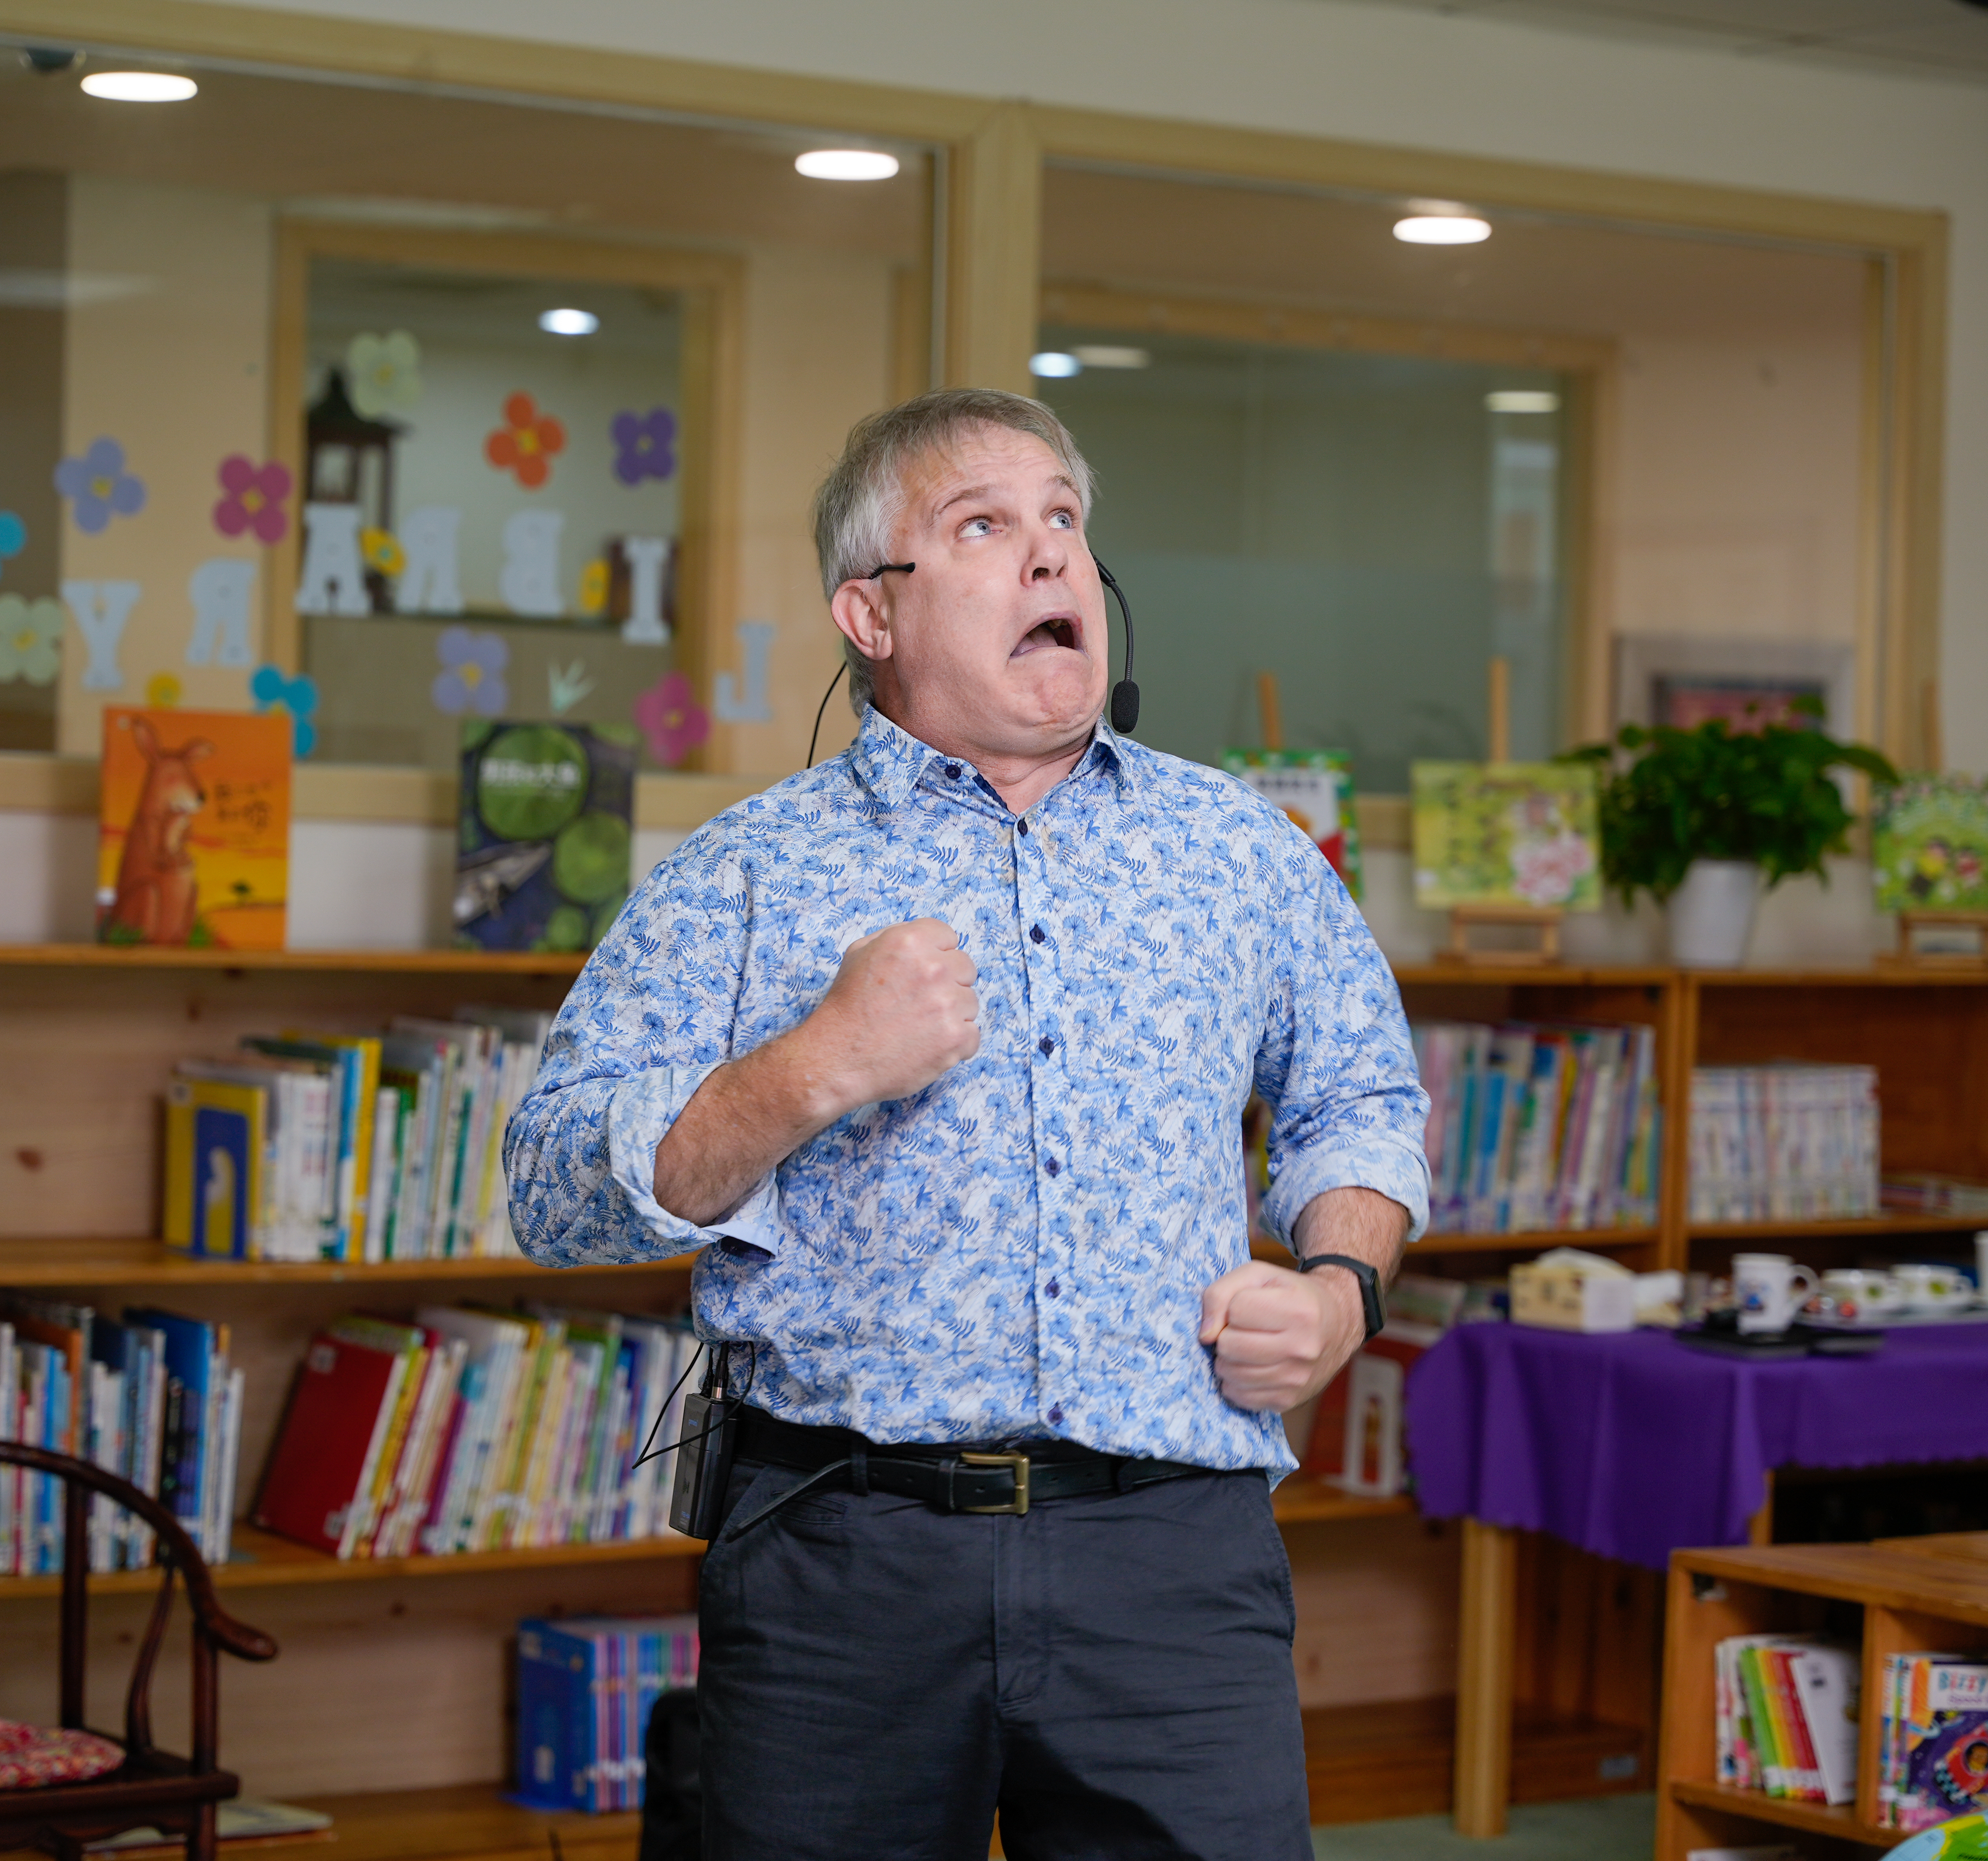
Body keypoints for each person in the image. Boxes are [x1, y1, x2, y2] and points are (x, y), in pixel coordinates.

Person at [507, 386, 1429, 1861]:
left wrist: (1342, 1294)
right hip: (841, 1558)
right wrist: (808, 1068)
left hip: (1172, 1558)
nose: (1052, 557)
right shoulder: (746, 872)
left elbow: (1362, 1097)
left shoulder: (1240, 850)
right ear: (871, 617)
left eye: (1066, 522)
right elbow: (552, 1189)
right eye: (985, 527)